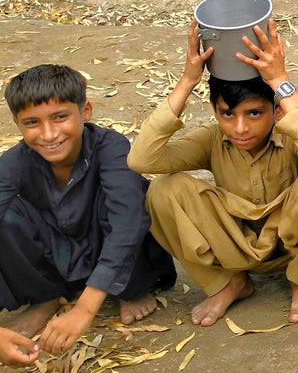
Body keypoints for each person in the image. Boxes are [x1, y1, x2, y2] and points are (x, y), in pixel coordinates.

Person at [128, 20, 298, 326]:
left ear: (276, 110)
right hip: (234, 246)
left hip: (290, 246)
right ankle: (228, 283)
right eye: (227, 114)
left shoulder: (291, 130)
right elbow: (141, 159)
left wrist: (280, 80)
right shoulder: (212, 138)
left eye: (254, 113)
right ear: (215, 111)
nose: (240, 128)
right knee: (163, 190)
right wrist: (188, 81)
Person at [0, 64, 176, 355]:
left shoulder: (112, 148)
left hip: (120, 254)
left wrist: (84, 310)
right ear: (18, 125)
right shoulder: (13, 163)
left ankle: (130, 289)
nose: (48, 134)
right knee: (7, 214)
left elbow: (128, 224)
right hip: (61, 256)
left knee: (129, 201)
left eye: (60, 117)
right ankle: (47, 296)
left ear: (86, 111)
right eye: (32, 122)